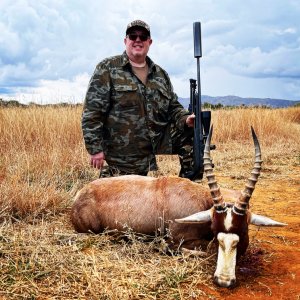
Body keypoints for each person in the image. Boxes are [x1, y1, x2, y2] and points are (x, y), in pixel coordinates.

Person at [82, 19, 195, 177]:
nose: (137, 40)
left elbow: (173, 107)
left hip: (155, 141)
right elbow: (92, 112)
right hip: (123, 153)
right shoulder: (107, 68)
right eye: (133, 36)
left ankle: (188, 189)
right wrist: (95, 149)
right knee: (124, 198)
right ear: (125, 40)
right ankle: (112, 176)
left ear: (149, 42)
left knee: (194, 134)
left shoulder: (160, 74)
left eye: (142, 37)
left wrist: (186, 119)